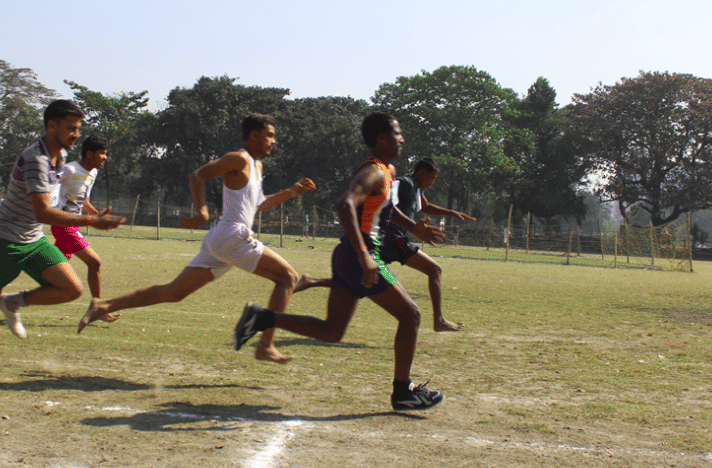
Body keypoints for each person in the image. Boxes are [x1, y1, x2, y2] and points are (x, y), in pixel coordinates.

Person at [233, 111, 446, 411]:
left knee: (332, 331)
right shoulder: (372, 171)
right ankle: (403, 391)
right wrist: (365, 257)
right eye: (398, 134)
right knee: (411, 315)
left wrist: (414, 227)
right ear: (382, 139)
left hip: (351, 255)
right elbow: (344, 205)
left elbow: (386, 209)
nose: (402, 139)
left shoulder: (388, 171)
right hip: (363, 256)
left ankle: (262, 318)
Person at [77, 113, 316, 364]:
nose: (273, 141)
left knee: (173, 293)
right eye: (270, 135)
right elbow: (198, 175)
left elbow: (258, 204)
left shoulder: (257, 166)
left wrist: (292, 192)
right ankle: (265, 345)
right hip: (232, 235)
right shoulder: (239, 158)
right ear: (254, 136)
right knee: (288, 277)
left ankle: (103, 306)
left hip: (222, 240)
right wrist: (202, 211)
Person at [0, 100, 125, 384]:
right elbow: (43, 210)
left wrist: (88, 213)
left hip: (32, 237)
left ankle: (14, 302)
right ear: (51, 126)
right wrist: (92, 221)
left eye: (78, 129)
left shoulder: (60, 158)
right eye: (70, 128)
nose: (75, 134)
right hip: (4, 239)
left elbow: (47, 208)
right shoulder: (36, 159)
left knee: (71, 288)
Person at [294, 158, 476, 331]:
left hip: (385, 242)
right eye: (432, 177)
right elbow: (387, 203)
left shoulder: (417, 190)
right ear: (422, 173)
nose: (433, 182)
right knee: (434, 269)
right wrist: (412, 226)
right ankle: (439, 320)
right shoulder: (404, 183)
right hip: (395, 242)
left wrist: (452, 213)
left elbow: (426, 206)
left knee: (365, 278)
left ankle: (312, 281)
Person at [50, 134, 118, 321]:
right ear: (89, 154)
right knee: (94, 262)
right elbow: (48, 183)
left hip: (74, 224)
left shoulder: (93, 173)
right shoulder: (70, 170)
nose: (105, 157)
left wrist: (98, 217)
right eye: (102, 153)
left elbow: (83, 200)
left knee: (53, 267)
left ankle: (16, 298)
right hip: (63, 225)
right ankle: (98, 307)